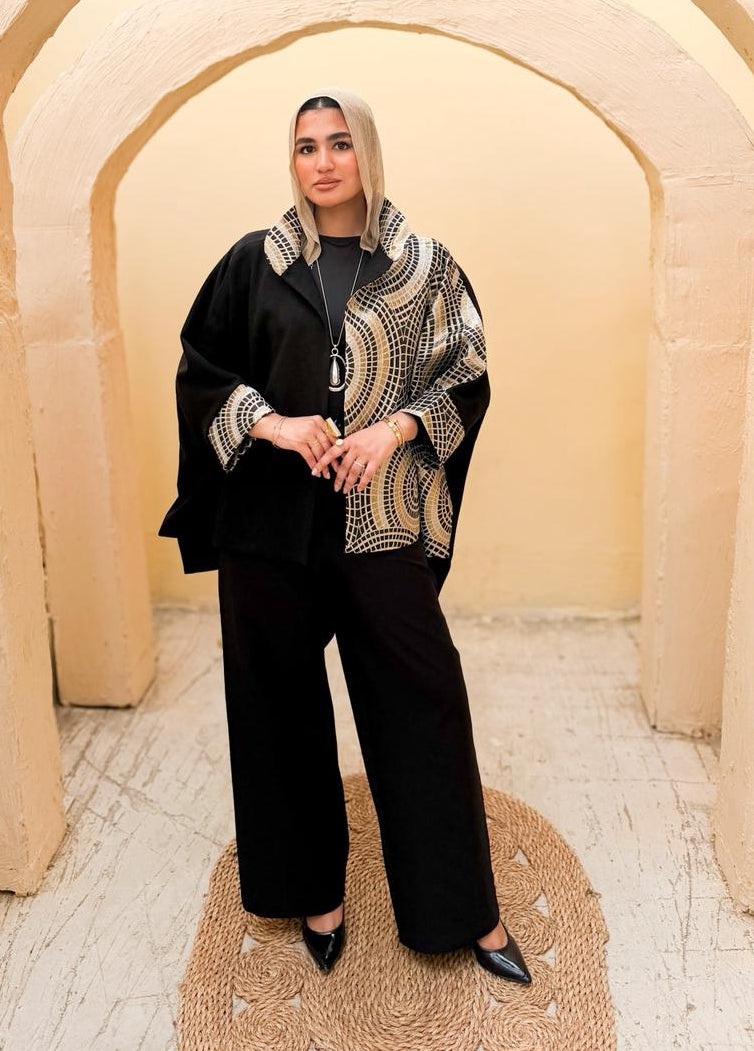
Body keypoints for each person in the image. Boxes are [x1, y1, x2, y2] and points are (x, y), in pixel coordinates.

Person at [158, 86, 531, 985]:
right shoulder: (254, 262)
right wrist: (276, 424)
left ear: (366, 151)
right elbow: (200, 370)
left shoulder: (424, 265)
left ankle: (465, 910)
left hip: (380, 517)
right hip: (268, 525)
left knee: (422, 701)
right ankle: (312, 892)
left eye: (338, 143)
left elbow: (467, 373)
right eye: (305, 146)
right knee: (277, 706)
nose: (322, 162)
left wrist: (393, 430)